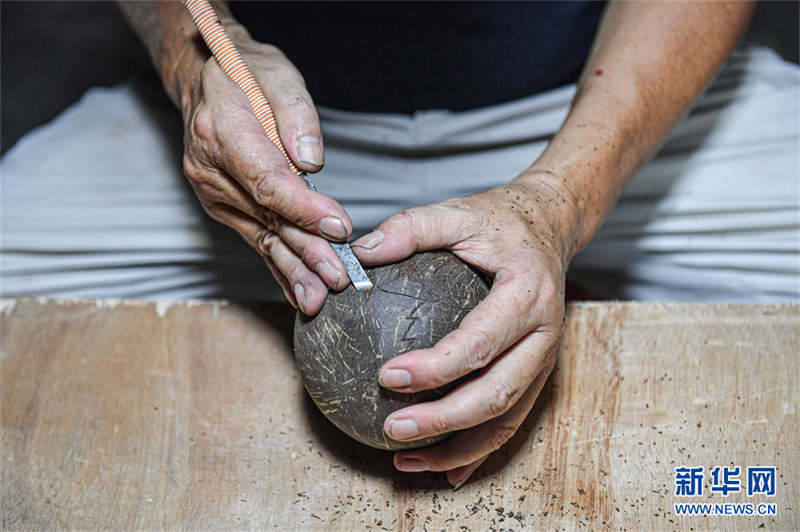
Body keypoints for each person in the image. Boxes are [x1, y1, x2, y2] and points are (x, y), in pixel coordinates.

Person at [9, 0, 790, 489]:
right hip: (278, 122)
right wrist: (194, 64)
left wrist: (560, 204)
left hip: (586, 101)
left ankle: (549, 278)